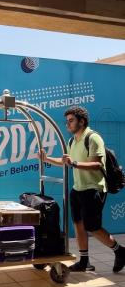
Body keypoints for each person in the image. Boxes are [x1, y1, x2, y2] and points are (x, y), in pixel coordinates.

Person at [39, 106, 125, 272]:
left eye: (71, 121)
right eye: (67, 121)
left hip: (94, 189)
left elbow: (97, 163)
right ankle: (84, 261)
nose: (67, 124)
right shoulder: (72, 141)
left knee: (92, 226)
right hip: (77, 188)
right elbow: (67, 161)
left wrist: (75, 163)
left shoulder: (93, 138)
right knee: (78, 224)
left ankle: (120, 251)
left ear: (82, 121)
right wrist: (47, 158)